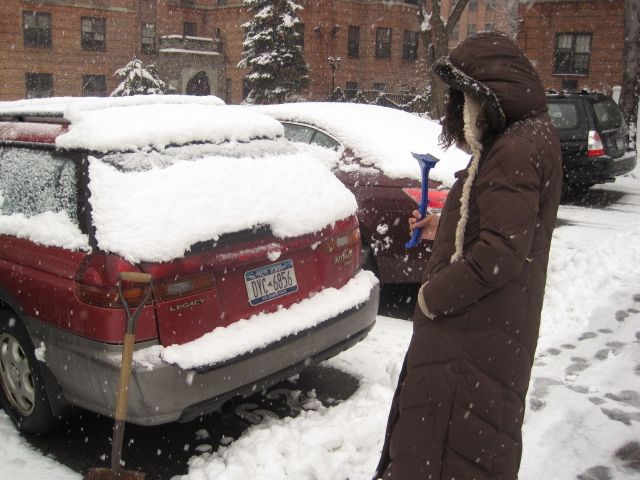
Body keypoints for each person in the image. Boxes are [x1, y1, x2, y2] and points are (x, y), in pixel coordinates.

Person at [373, 31, 563, 480]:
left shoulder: (514, 148)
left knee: (440, 452)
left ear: (485, 97)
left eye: (461, 98)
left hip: (471, 338)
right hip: (491, 333)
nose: (454, 110)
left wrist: (431, 298)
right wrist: (448, 227)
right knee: (469, 446)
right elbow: (508, 225)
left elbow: (500, 253)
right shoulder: (527, 137)